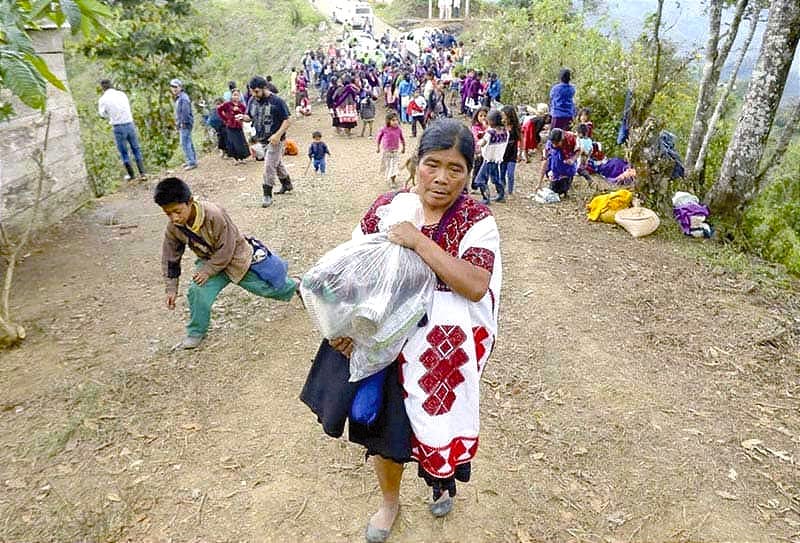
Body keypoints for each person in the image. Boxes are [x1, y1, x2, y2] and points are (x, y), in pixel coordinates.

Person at [302, 118, 502, 543]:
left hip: (440, 361)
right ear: (415, 163)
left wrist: (419, 241)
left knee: (436, 429)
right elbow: (346, 273)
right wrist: (342, 327)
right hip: (383, 349)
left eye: (456, 169)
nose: (442, 178)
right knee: (387, 436)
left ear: (469, 173)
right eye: (433, 164)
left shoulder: (476, 220)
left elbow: (475, 284)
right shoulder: (385, 210)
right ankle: (389, 502)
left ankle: (440, 479)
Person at [154, 177, 300, 350]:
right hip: (210, 262)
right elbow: (170, 257)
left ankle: (298, 284)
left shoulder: (214, 214)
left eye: (177, 211)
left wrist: (208, 270)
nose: (173, 218)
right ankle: (196, 332)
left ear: (190, 202)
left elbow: (227, 248)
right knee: (197, 291)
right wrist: (171, 288)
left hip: (236, 259)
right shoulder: (174, 228)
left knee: (267, 289)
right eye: (168, 213)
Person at [241, 75, 293, 207]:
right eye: (252, 91)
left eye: (257, 91)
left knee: (269, 165)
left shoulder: (277, 101)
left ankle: (267, 194)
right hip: (261, 138)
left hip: (276, 140)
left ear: (264, 88)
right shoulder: (252, 100)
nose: (254, 94)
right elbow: (250, 117)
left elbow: (287, 120)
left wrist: (277, 135)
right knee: (276, 163)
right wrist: (243, 117)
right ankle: (287, 184)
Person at [97, 79, 146, 180]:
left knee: (124, 151)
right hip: (129, 123)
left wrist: (110, 114)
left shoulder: (103, 99)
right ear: (111, 85)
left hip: (118, 126)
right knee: (136, 148)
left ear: (102, 88)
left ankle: (131, 175)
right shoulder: (122, 94)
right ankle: (143, 173)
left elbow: (102, 114)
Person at [473, 109, 509, 204]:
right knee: (495, 178)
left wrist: (478, 143)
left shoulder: (490, 133)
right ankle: (501, 195)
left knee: (480, 179)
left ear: (491, 121)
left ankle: (486, 198)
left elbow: (483, 143)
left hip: (488, 159)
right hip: (497, 159)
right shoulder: (505, 132)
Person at [169, 78, 197, 170]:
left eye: (175, 87)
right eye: (172, 87)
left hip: (185, 123)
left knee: (185, 143)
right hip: (183, 123)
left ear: (180, 87)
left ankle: (191, 162)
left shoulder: (183, 98)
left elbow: (185, 112)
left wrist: (182, 123)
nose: (174, 89)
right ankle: (192, 160)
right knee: (188, 141)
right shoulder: (180, 97)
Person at [216, 89, 250, 164]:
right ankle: (235, 159)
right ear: (231, 96)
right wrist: (225, 119)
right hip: (230, 126)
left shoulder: (242, 106)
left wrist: (240, 112)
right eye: (234, 95)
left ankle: (242, 158)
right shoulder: (227, 104)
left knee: (241, 142)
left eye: (237, 95)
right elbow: (219, 110)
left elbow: (246, 114)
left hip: (239, 126)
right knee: (232, 143)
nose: (236, 97)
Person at [541, 128, 576, 197]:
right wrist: (539, 183)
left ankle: (566, 186)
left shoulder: (570, 139)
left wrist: (572, 159)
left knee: (563, 189)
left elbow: (578, 150)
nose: (554, 145)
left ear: (562, 139)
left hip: (567, 166)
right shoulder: (549, 144)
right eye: (553, 143)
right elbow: (545, 162)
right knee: (553, 191)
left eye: (556, 143)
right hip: (555, 166)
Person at [376, 111, 406, 188]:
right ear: (388, 121)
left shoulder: (399, 129)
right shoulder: (384, 129)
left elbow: (402, 138)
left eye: (396, 120)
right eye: (393, 120)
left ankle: (393, 180)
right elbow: (379, 138)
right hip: (387, 151)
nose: (395, 122)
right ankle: (389, 176)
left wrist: (404, 147)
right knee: (388, 165)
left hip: (395, 151)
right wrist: (378, 147)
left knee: (395, 166)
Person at [500, 105, 521, 196]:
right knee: (502, 173)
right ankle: (501, 190)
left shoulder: (515, 127)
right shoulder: (500, 127)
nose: (503, 118)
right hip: (502, 154)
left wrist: (520, 152)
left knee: (510, 174)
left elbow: (520, 139)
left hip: (512, 154)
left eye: (505, 116)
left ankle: (510, 191)